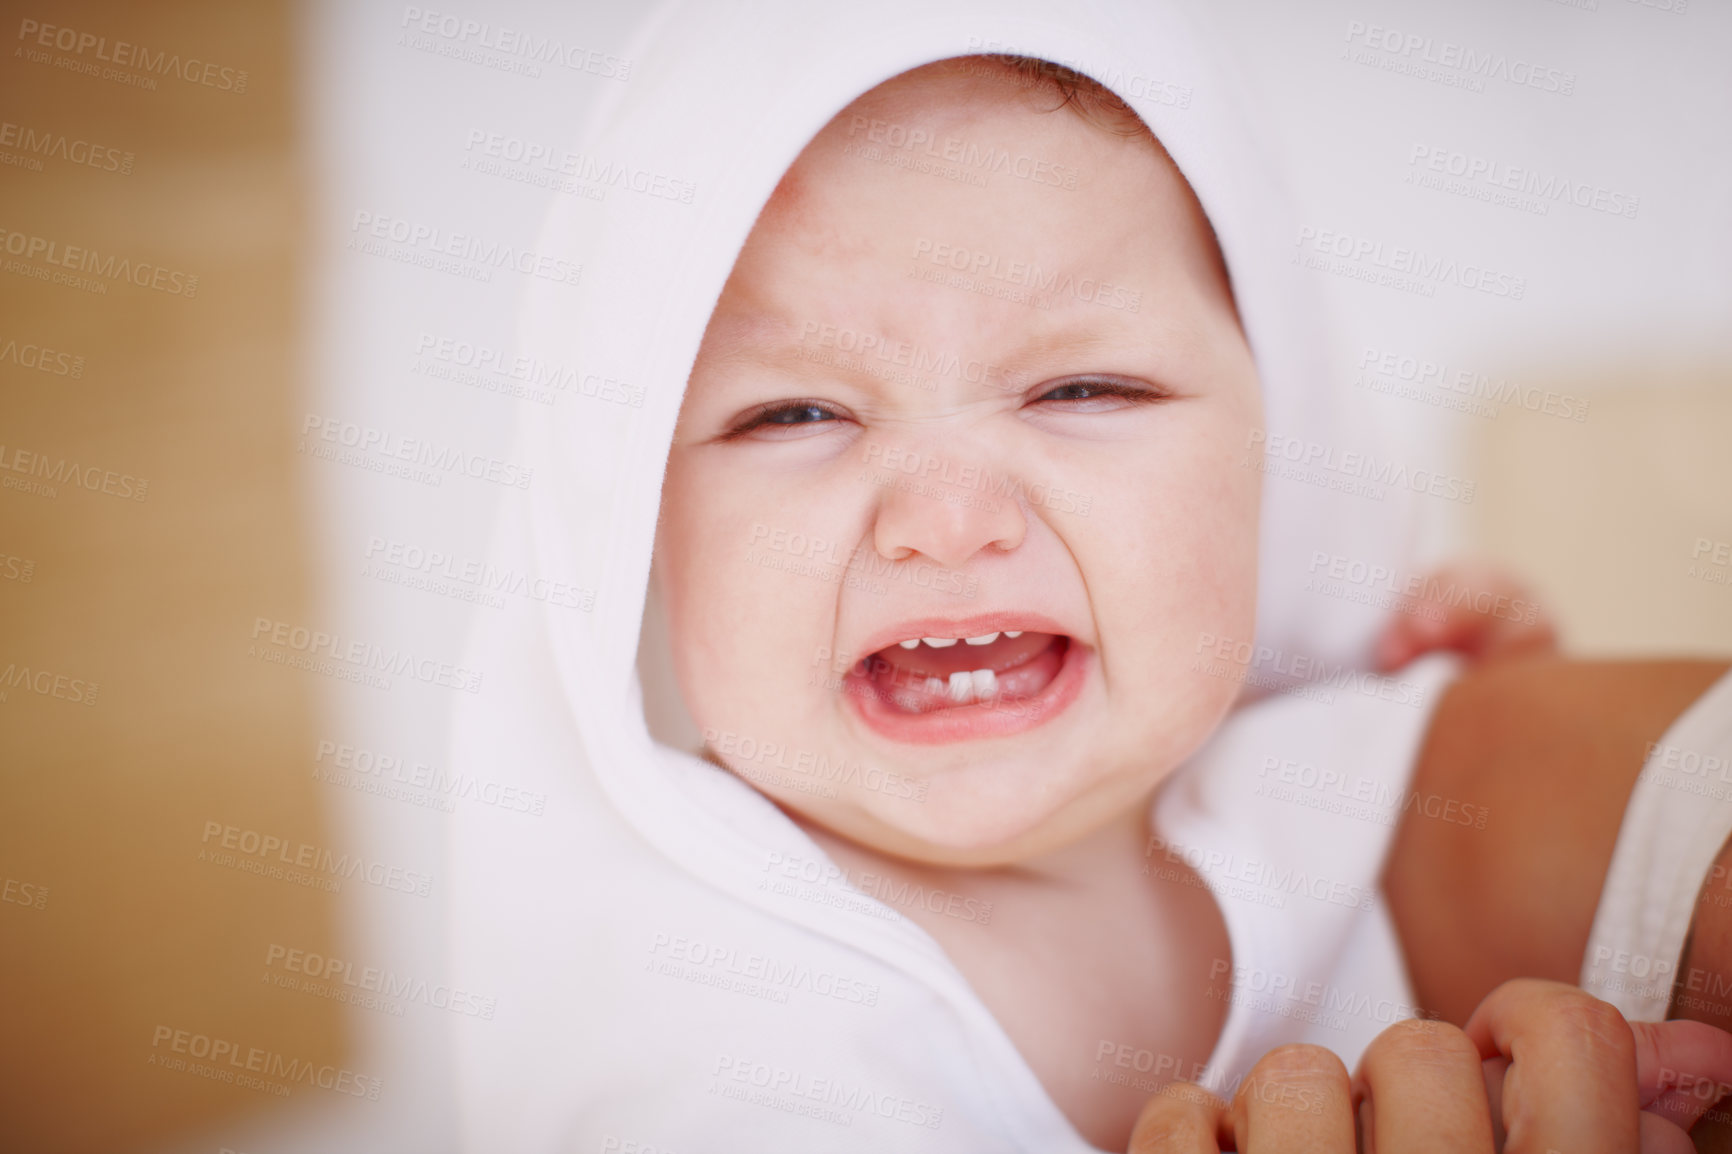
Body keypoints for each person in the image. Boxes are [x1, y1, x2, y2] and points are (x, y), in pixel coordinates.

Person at [443, 4, 1732, 1149]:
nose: (946, 523)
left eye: (1084, 388)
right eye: (794, 414)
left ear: (1280, 458)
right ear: (629, 529)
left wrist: (1480, 746)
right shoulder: (696, 1035)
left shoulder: (1304, 785)